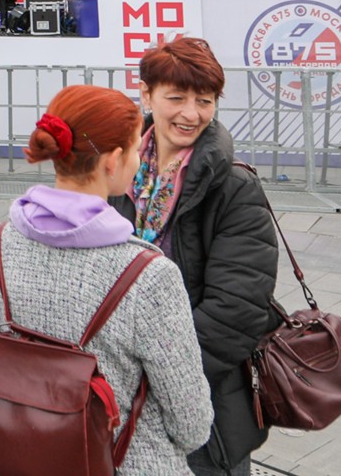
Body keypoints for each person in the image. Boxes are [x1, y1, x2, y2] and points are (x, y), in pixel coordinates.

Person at [0, 85, 213, 473]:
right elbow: (191, 424)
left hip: (23, 453)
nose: (137, 160)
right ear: (113, 160)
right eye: (135, 150)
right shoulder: (150, 274)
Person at [112, 39, 278, 476]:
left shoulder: (234, 187)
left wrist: (161, 381)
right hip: (118, 396)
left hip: (201, 402)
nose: (191, 114)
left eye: (204, 101)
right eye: (176, 98)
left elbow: (236, 310)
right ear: (146, 95)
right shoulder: (117, 168)